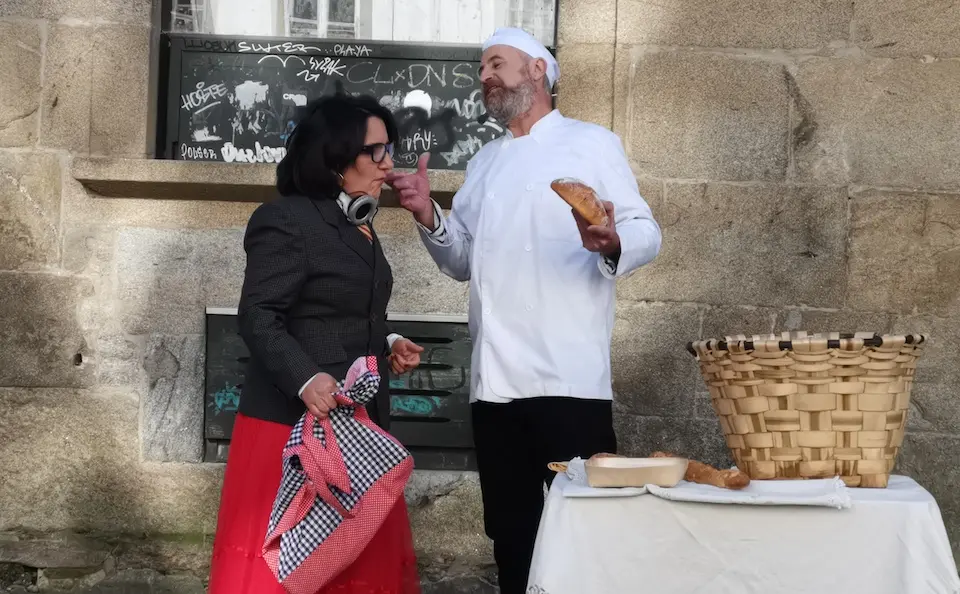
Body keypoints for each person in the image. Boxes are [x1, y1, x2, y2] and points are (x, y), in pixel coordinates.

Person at [387, 27, 662, 594]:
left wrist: (610, 241)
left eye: (497, 64)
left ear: (538, 70)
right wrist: (426, 214)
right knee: (510, 533)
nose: (485, 76)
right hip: (497, 383)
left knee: (587, 526)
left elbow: (645, 231)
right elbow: (462, 259)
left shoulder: (593, 142)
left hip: (571, 376)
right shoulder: (484, 163)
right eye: (482, 68)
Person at [208, 93, 424, 594]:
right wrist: (305, 377)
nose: (389, 165)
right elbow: (259, 314)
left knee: (354, 566)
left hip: (354, 432)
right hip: (291, 431)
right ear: (335, 158)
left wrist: (388, 339)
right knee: (288, 572)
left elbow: (348, 308)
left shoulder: (360, 223)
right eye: (377, 151)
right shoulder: (285, 220)